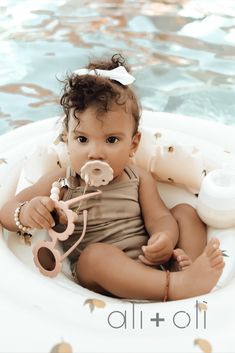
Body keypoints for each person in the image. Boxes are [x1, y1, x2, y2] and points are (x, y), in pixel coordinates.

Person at [0, 54, 224, 301]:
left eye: (111, 140)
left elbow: (159, 217)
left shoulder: (138, 177)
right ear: (67, 139)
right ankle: (176, 285)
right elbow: (6, 211)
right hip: (100, 273)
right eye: (82, 139)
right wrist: (26, 212)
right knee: (95, 257)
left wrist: (165, 240)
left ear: (133, 144)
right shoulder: (61, 182)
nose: (95, 152)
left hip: (146, 258)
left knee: (185, 212)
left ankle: (186, 268)